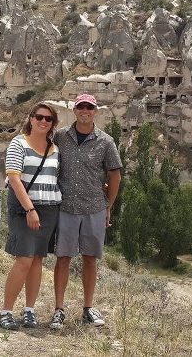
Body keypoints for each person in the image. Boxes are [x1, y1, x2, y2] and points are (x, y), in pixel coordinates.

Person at [49, 93, 122, 330]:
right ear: (74, 110)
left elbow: (115, 174)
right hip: (66, 206)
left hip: (94, 208)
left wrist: (108, 206)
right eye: (81, 106)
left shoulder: (106, 141)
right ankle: (59, 309)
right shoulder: (60, 137)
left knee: (90, 258)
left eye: (89, 107)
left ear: (95, 112)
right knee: (63, 258)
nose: (85, 110)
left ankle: (88, 308)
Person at [0, 102, 61, 330]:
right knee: (24, 259)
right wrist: (30, 210)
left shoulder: (54, 148)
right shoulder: (19, 143)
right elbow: (14, 178)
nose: (43, 121)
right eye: (39, 117)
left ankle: (29, 311)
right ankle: (6, 311)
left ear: (53, 123)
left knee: (37, 260)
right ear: (31, 118)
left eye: (48, 119)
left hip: (50, 209)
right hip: (25, 208)